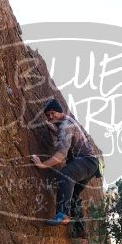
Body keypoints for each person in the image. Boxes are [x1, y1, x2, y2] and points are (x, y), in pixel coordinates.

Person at [30, 99, 100, 234]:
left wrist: (42, 165)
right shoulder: (68, 121)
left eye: (52, 113)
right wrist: (55, 130)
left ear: (59, 112)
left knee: (66, 174)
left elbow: (61, 155)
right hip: (91, 166)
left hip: (86, 162)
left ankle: (62, 215)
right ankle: (80, 230)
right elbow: (70, 137)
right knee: (72, 194)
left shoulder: (65, 125)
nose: (50, 117)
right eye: (48, 115)